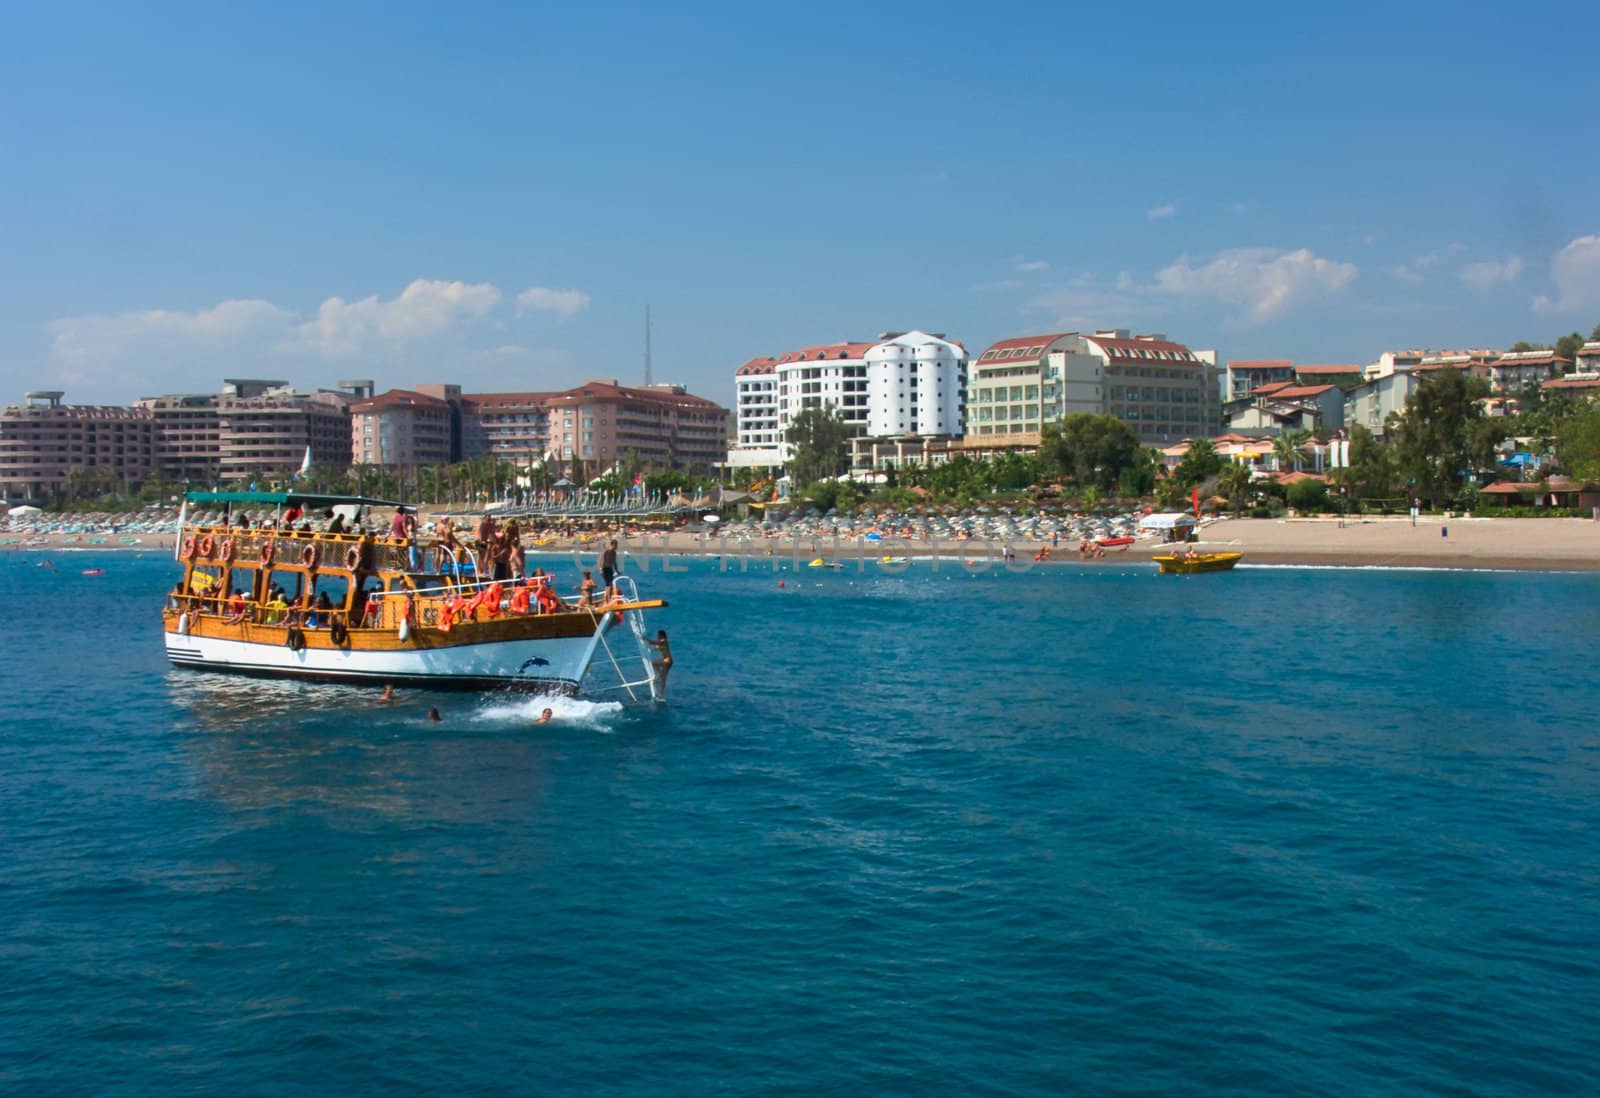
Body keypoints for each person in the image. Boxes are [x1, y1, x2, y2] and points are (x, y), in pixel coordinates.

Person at [646, 629, 672, 696]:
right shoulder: (663, 643)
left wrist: (646, 639)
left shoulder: (664, 641)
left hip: (667, 661)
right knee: (664, 677)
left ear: (662, 636)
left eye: (658, 635)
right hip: (668, 661)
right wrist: (651, 645)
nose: (657, 636)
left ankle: (660, 676)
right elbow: (656, 647)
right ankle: (661, 693)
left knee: (654, 663)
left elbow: (655, 643)